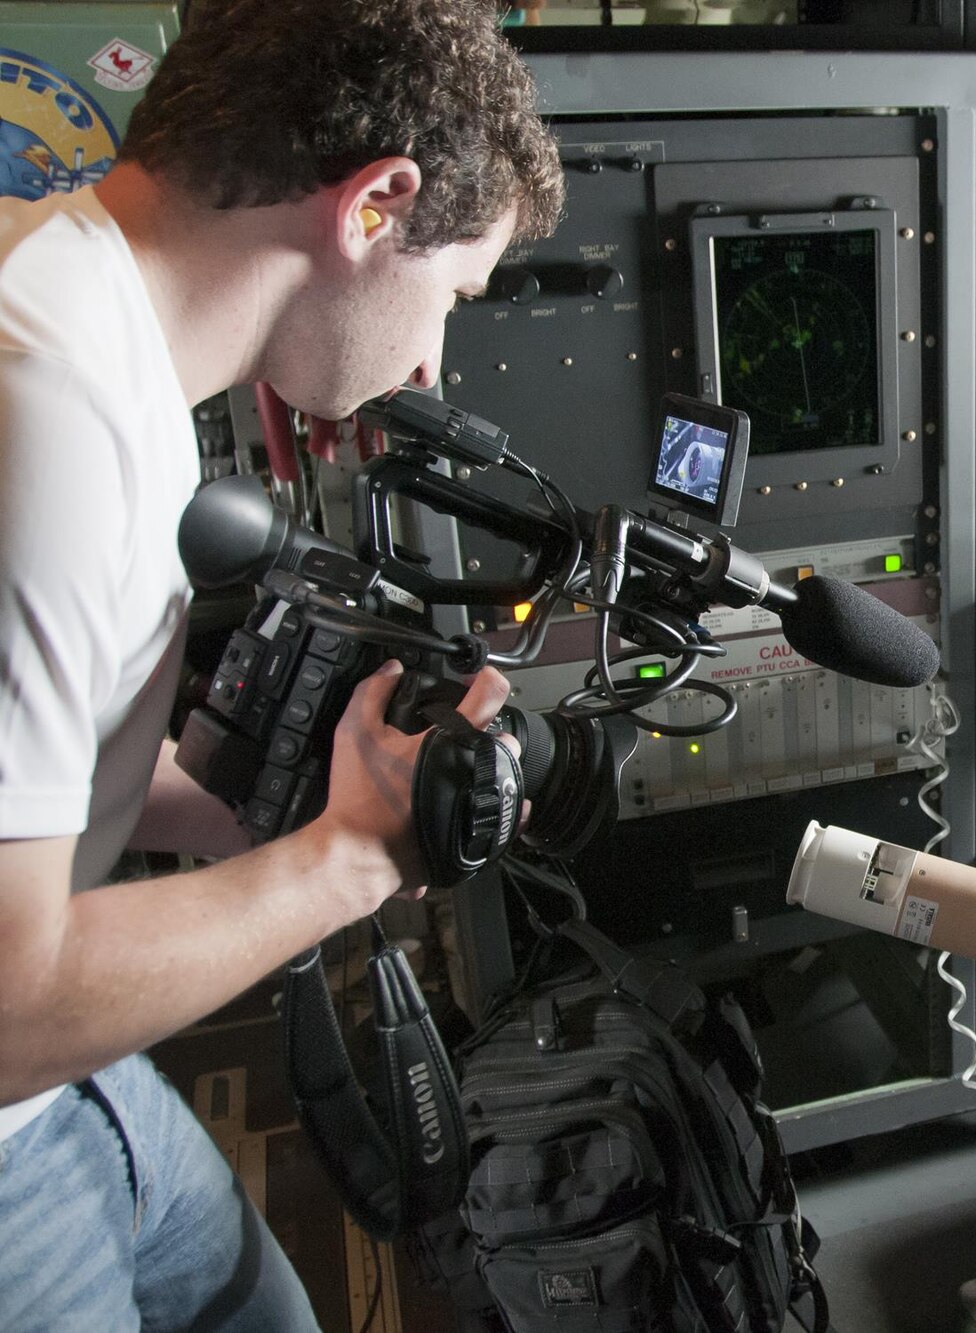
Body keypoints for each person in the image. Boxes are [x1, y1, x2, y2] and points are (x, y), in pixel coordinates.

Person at [0, 2, 562, 1329]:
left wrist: (286, 805)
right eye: (453, 297)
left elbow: (43, 786)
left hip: (71, 1086)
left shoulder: (84, 306)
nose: (432, 360)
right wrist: (354, 857)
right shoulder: (47, 418)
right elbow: (10, 1001)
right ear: (376, 207)